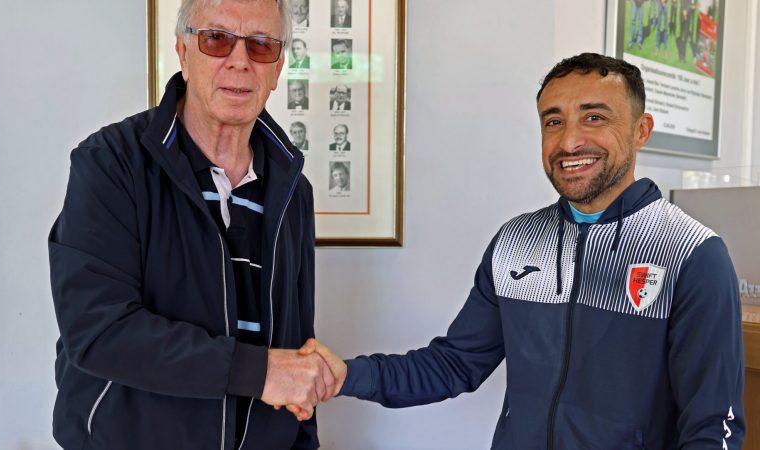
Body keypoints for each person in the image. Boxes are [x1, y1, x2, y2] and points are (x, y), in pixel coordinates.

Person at [302, 53, 746, 448]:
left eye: (594, 117)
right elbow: (454, 365)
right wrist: (345, 374)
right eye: (554, 122)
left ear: (640, 130)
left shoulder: (692, 254)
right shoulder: (515, 241)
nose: (569, 142)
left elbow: (713, 426)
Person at [49, 1, 334, 449]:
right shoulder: (111, 163)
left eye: (261, 45)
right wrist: (258, 373)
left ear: (278, 68)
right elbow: (98, 332)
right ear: (183, 52)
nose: (240, 61)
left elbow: (297, 346)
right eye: (217, 39)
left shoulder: (294, 191)